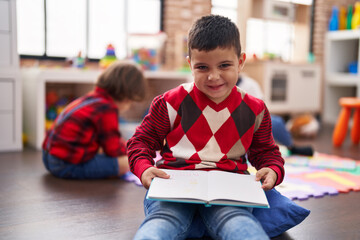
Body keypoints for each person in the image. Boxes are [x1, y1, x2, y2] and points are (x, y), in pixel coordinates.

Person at [127, 15, 285, 240]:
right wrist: (143, 167)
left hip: (229, 190)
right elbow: (140, 141)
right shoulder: (170, 102)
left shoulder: (256, 109)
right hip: (173, 186)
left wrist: (272, 170)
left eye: (224, 65)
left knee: (241, 227)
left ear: (240, 62)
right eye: (202, 67)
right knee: (160, 225)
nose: (213, 76)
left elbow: (266, 153)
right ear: (190, 63)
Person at [42, 62, 146, 179]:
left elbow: (110, 140)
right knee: (128, 162)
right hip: (65, 165)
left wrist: (129, 146)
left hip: (48, 157)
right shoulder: (107, 108)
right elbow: (114, 150)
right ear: (126, 96)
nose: (129, 106)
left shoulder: (92, 98)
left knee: (106, 149)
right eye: (130, 101)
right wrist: (135, 152)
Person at [237, 75, 314, 156]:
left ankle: (291, 147)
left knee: (276, 122)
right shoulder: (225, 86)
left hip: (251, 121)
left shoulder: (250, 84)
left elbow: (260, 107)